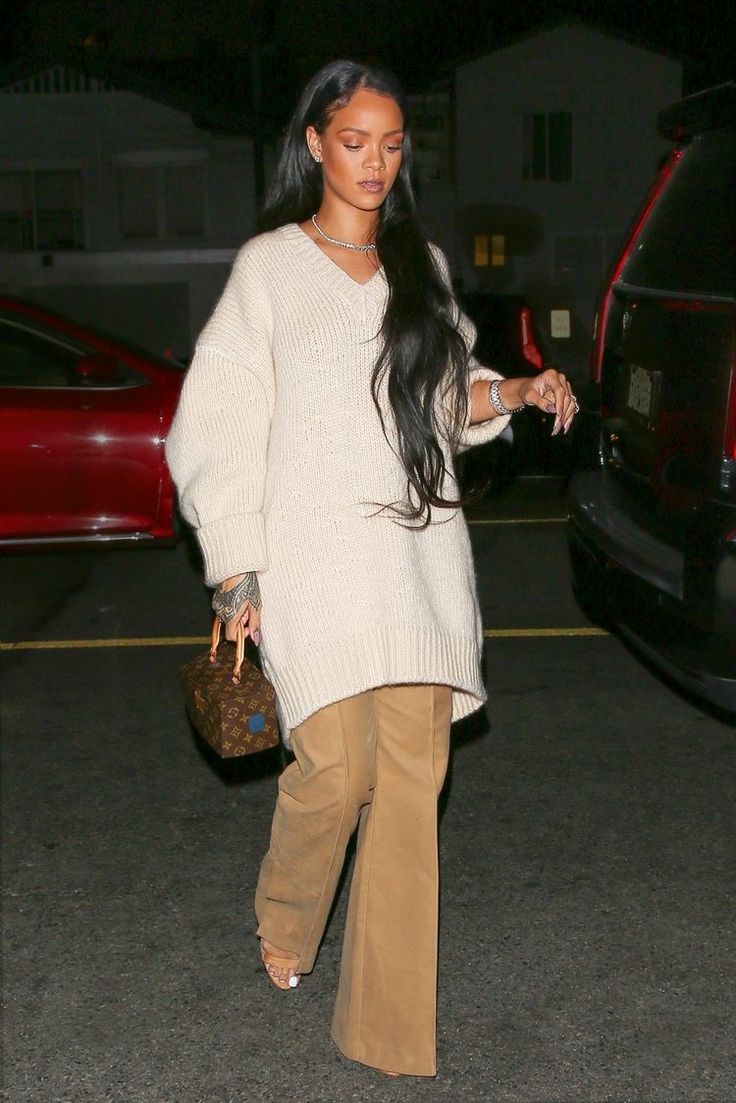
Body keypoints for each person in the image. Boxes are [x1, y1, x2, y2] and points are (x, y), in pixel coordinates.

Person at [165, 59, 578, 1078]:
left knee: (408, 793)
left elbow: (447, 400)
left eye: (392, 145)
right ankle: (286, 911)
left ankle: (389, 1034)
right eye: (355, 140)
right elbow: (215, 423)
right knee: (336, 771)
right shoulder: (270, 268)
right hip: (313, 567)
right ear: (314, 142)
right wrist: (234, 568)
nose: (374, 163)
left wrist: (514, 391)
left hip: (417, 566)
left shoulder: (421, 268)